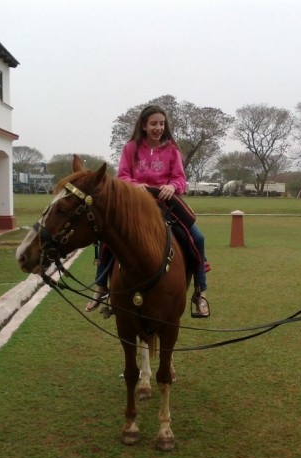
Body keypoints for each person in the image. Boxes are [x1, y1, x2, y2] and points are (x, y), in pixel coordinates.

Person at [85, 104, 210, 317]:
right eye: (153, 124)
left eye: (161, 123)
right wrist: (134, 185)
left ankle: (200, 292)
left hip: (165, 203)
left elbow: (180, 178)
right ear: (144, 125)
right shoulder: (130, 148)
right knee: (108, 238)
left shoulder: (172, 150)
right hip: (135, 205)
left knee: (197, 238)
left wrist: (172, 187)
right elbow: (122, 176)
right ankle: (101, 286)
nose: (158, 128)